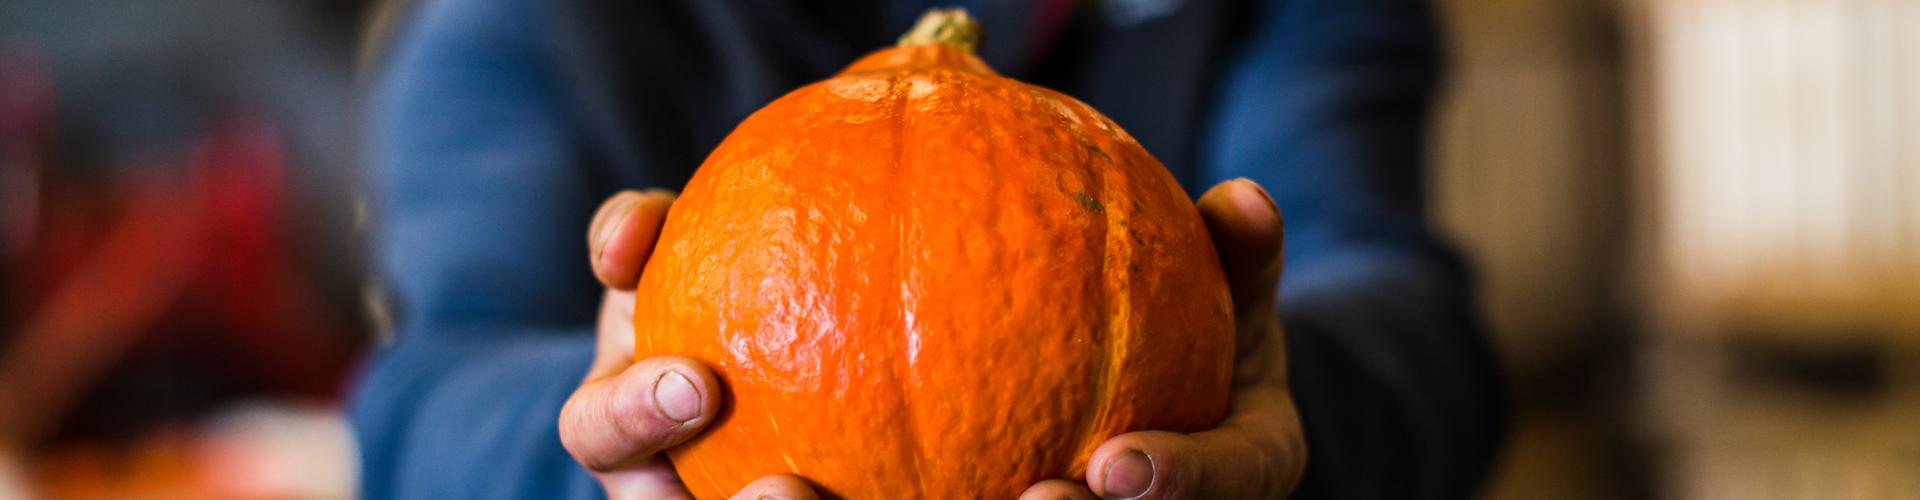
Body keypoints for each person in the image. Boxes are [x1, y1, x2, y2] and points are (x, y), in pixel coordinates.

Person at [350, 0, 1505, 498]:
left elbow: (1418, 326)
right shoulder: (517, 20)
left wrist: (1273, 412)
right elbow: (423, 400)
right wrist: (628, 437)